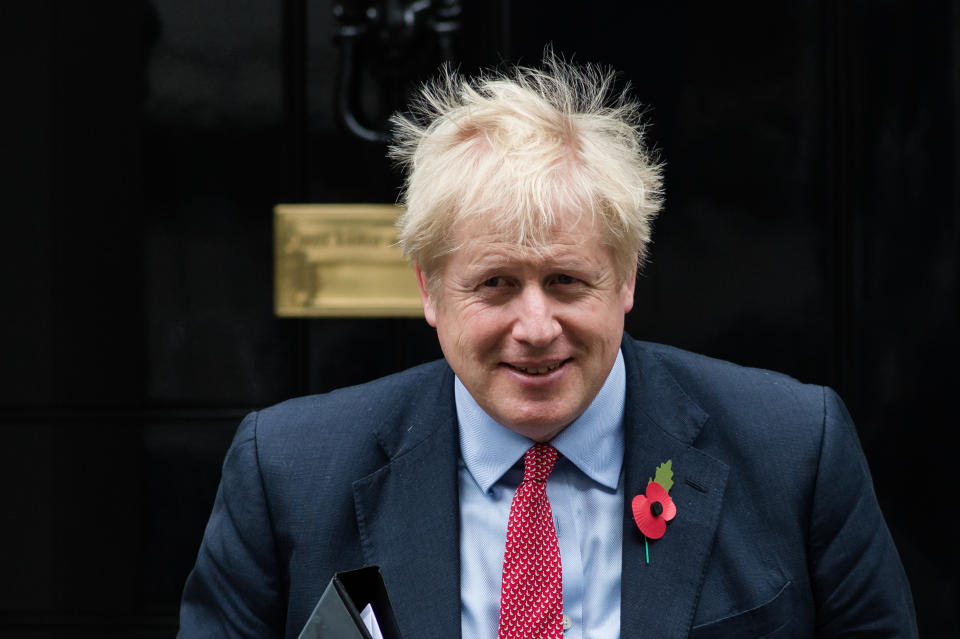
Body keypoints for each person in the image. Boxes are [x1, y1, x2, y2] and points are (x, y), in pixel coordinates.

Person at [178, 55, 918, 638]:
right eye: (495, 283)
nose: (535, 327)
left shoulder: (796, 450)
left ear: (626, 276)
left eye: (566, 280)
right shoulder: (287, 473)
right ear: (429, 291)